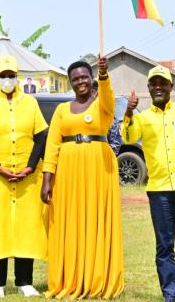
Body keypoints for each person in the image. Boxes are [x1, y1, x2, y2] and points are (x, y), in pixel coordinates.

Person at [121, 66, 175, 302]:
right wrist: (128, 112)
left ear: (171, 86)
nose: (158, 87)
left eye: (163, 83)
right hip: (159, 190)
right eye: (154, 83)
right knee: (164, 247)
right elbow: (128, 137)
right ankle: (170, 295)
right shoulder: (142, 117)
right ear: (148, 88)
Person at [41, 57, 123, 299]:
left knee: (95, 218)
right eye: (75, 79)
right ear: (70, 82)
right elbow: (52, 144)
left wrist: (105, 77)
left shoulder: (102, 105)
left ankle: (97, 277)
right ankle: (70, 277)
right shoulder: (61, 110)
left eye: (84, 77)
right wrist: (47, 178)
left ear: (91, 79)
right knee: (70, 220)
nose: (80, 82)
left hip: (98, 169)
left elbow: (108, 97)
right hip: (67, 172)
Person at [0, 55, 48, 299]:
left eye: (11, 75)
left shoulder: (30, 103)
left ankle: (24, 281)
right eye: (3, 76)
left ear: (17, 77)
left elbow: (41, 136)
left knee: (25, 227)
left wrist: (29, 167)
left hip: (27, 178)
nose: (7, 80)